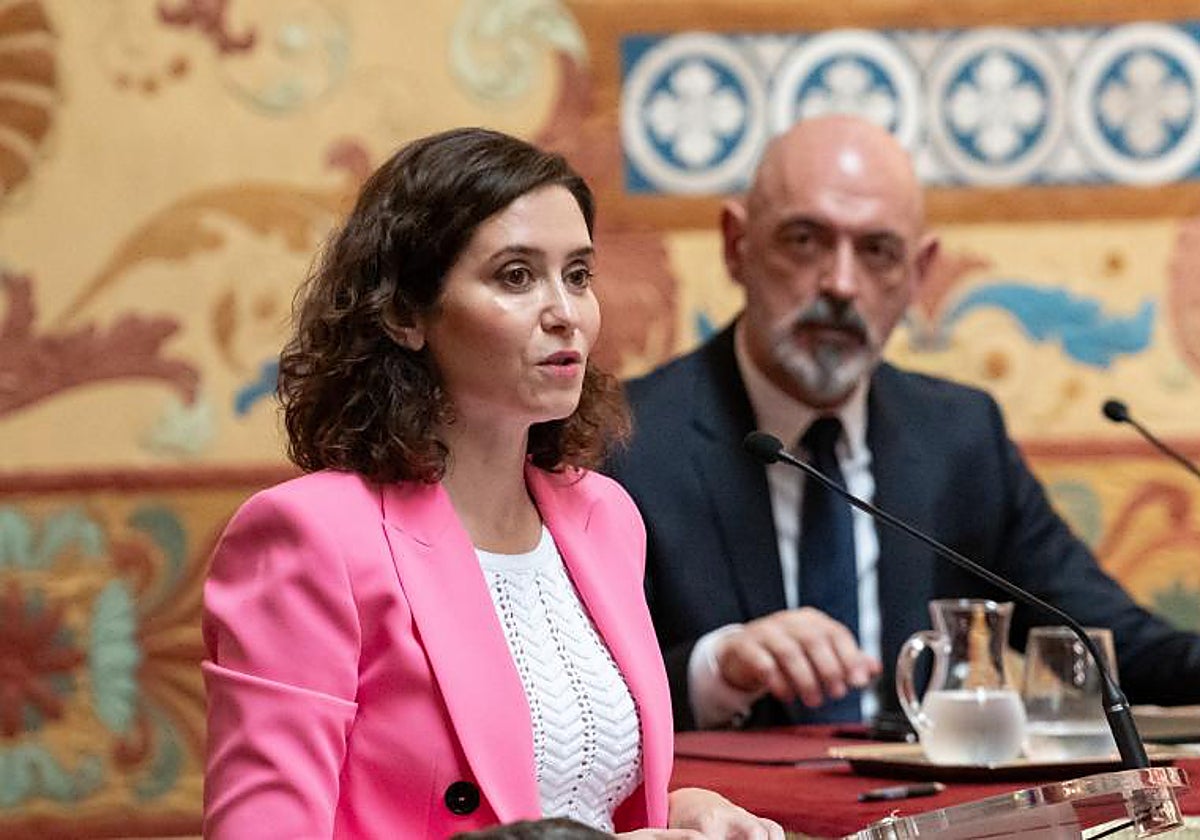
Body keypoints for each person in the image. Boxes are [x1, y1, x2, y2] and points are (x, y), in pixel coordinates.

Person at [202, 127, 784, 839]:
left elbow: (577, 795)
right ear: (404, 314)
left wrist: (686, 811)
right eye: (515, 276)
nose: (565, 312)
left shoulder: (603, 515)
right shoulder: (311, 538)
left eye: (577, 275)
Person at [605, 114, 1200, 731]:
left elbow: (1110, 644)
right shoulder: (626, 439)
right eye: (804, 240)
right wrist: (714, 668)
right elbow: (569, 701)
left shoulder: (960, 437)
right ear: (738, 246)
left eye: (877, 252)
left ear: (918, 274)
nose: (840, 284)